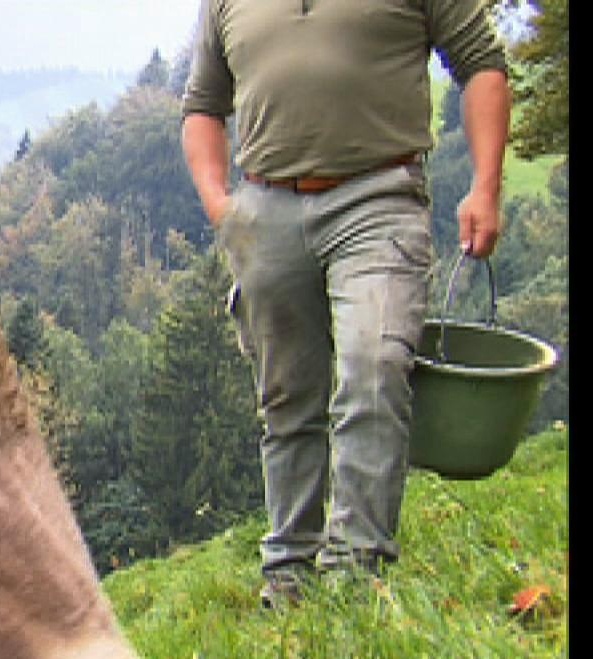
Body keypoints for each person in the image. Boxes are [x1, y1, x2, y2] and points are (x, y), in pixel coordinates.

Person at [180, 0, 511, 607]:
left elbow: (483, 65)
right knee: (287, 399)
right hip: (265, 209)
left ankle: (355, 575)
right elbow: (203, 105)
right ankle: (288, 577)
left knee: (374, 368)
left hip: (379, 197)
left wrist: (486, 187)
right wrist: (220, 207)